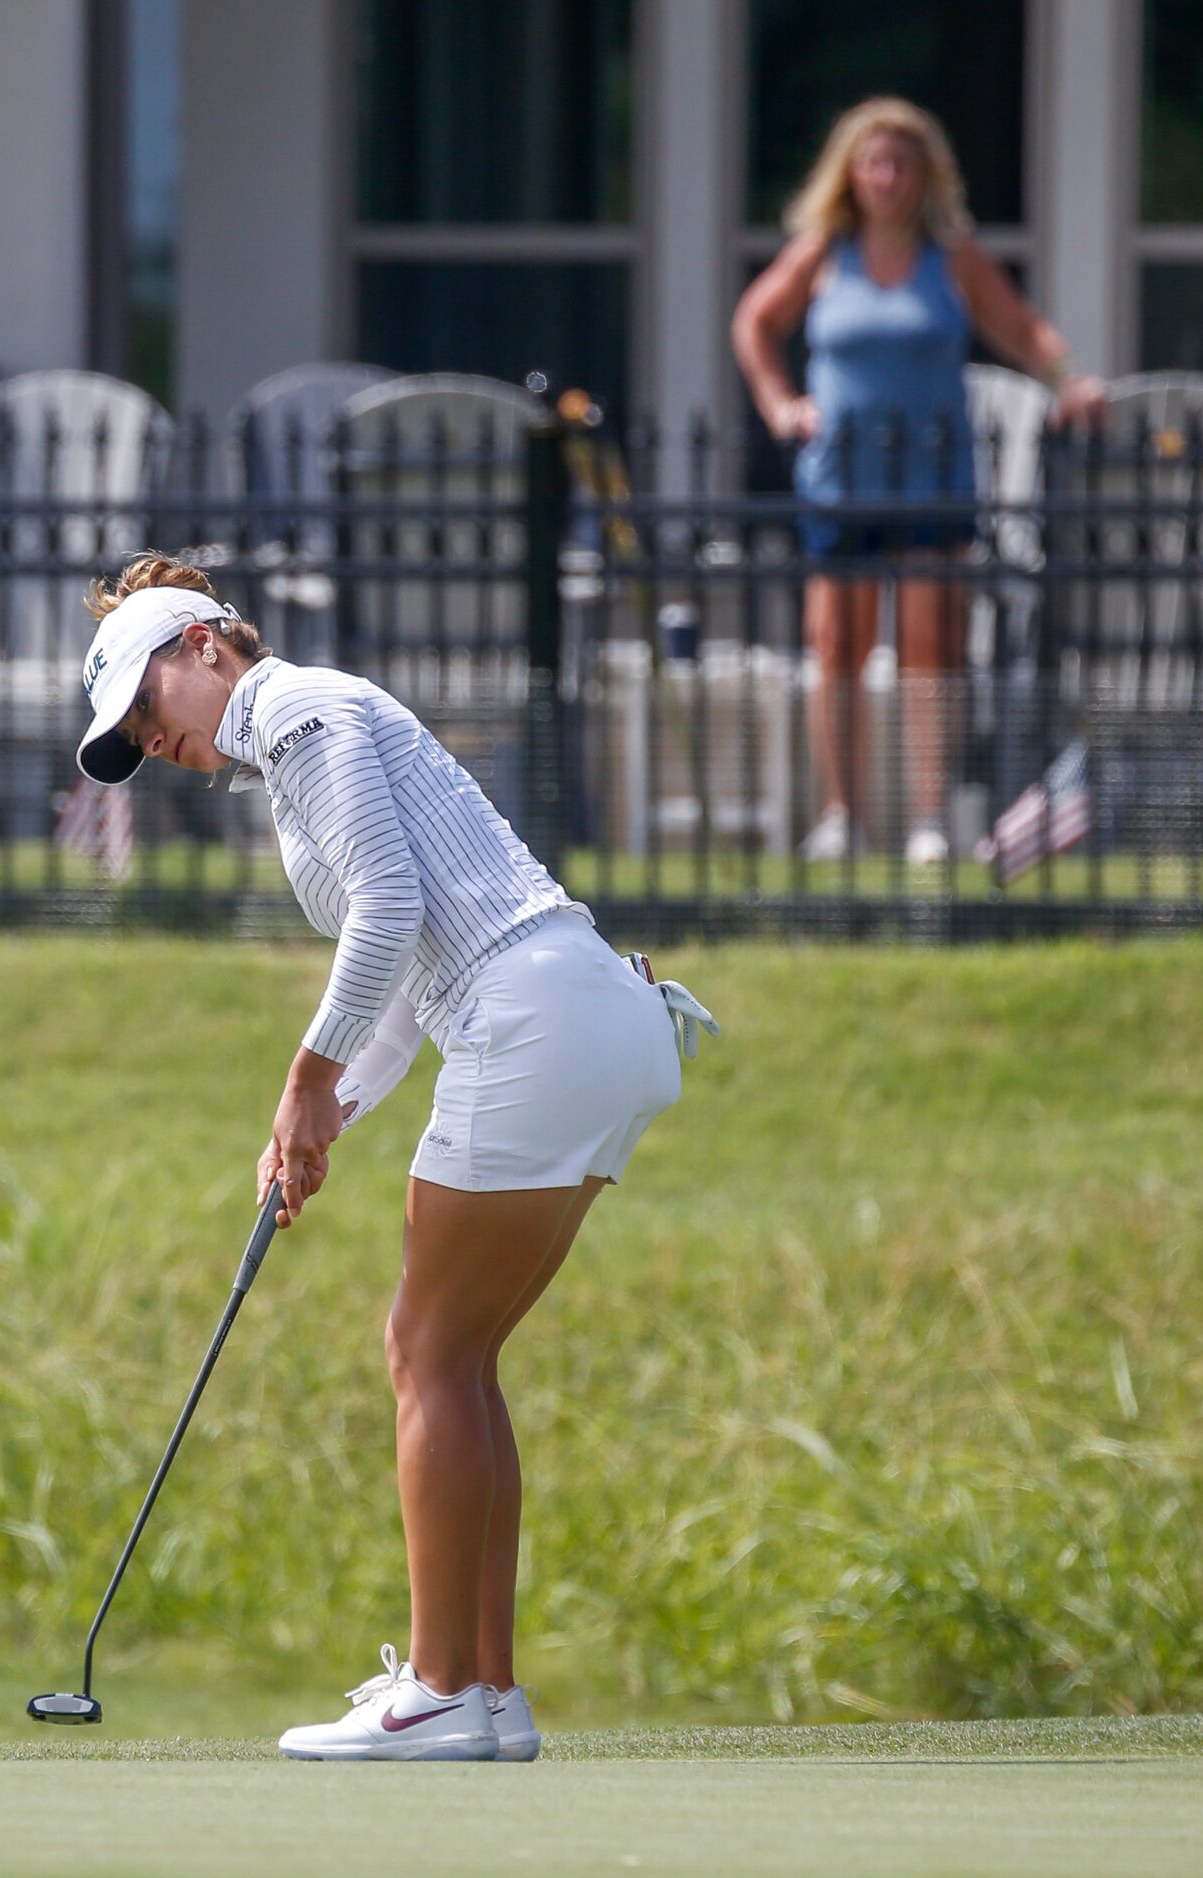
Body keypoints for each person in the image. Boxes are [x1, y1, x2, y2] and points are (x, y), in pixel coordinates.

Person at [70, 552, 718, 1763]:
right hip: (578, 1020)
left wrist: (304, 1078)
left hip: (535, 1013)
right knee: (459, 1359)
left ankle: (434, 1688)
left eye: (146, 707)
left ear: (205, 644)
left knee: (425, 1351)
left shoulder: (303, 707)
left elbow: (388, 911)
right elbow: (410, 989)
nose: (146, 740)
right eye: (128, 736)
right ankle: (487, 1696)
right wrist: (322, 1120)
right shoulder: (295, 751)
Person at [732, 97, 1104, 868]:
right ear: (850, 172)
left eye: (901, 162)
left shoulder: (951, 254)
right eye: (873, 161)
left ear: (924, 173)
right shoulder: (821, 251)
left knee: (928, 647)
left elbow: (1022, 329)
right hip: (841, 477)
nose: (887, 176)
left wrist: (1067, 380)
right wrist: (779, 403)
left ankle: (928, 817)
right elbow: (754, 322)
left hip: (933, 477)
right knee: (836, 643)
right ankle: (841, 814)